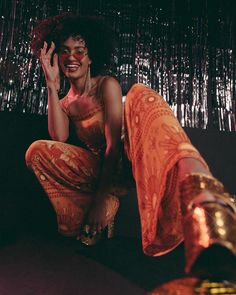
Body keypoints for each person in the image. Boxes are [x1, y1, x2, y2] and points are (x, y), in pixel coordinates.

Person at [25, 13, 236, 281]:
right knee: (37, 151)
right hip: (100, 171)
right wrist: (51, 86)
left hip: (131, 158)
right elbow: (58, 139)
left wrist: (101, 201)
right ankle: (82, 222)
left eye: (80, 50)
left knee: (139, 94)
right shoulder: (65, 102)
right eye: (65, 51)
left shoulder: (107, 85)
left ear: (91, 57)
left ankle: (203, 191)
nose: (72, 57)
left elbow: (114, 144)